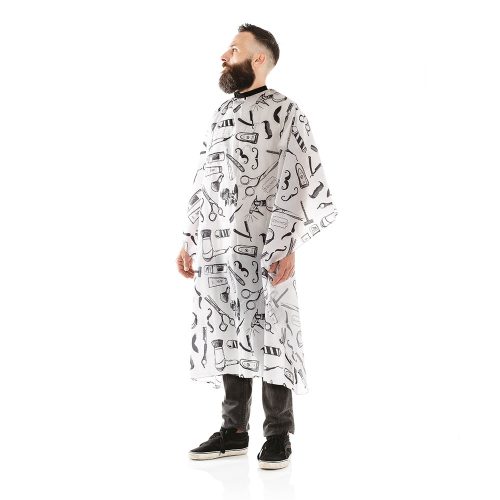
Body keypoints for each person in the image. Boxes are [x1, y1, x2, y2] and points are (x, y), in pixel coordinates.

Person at [176, 23, 338, 470]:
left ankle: (278, 433)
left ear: (259, 58)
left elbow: (299, 179)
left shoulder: (286, 112)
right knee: (227, 325)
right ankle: (233, 431)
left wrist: (286, 244)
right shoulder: (221, 114)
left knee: (273, 329)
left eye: (233, 49)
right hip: (219, 244)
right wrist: (190, 237)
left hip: (266, 243)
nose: (224, 56)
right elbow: (205, 177)